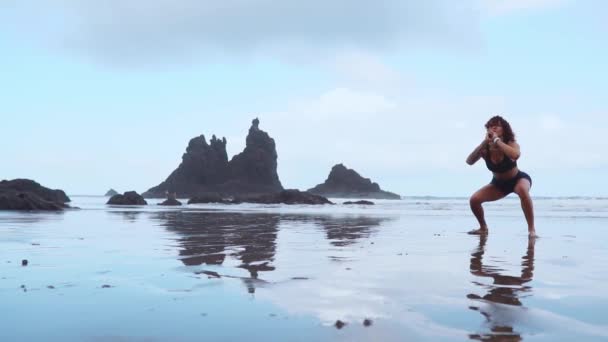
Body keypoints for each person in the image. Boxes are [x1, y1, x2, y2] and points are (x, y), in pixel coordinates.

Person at [466, 115, 537, 237]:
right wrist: (484, 143)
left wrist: (497, 141)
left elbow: (515, 155)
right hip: (498, 184)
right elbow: (469, 161)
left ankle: (531, 230)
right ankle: (483, 228)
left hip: (518, 179)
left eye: (496, 126)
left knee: (522, 190)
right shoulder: (485, 149)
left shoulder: (511, 143)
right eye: (490, 127)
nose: (493, 129)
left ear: (504, 129)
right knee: (474, 200)